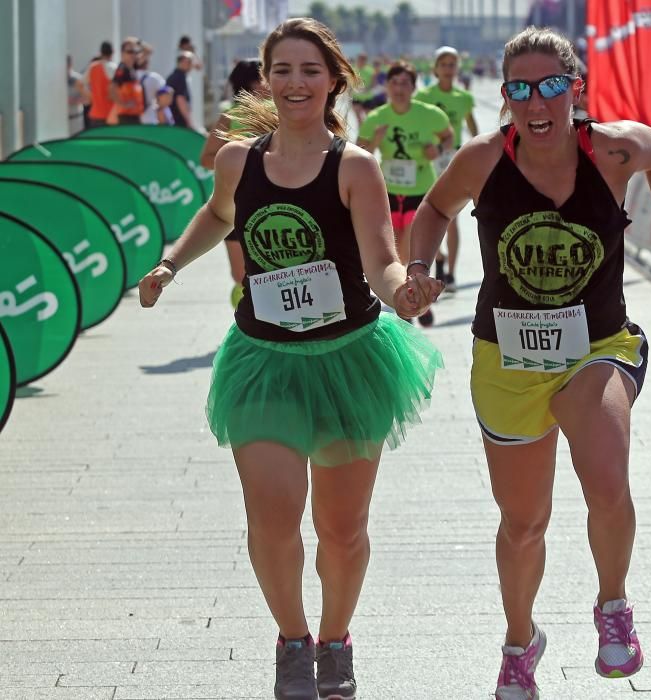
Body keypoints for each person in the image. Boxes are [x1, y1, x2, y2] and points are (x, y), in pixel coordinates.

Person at [138, 18, 444, 700]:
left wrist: (406, 292)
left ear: (334, 79)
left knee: (341, 529)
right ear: (266, 79)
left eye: (310, 70)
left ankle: (336, 642)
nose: (295, 83)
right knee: (272, 518)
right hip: (264, 359)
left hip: (348, 361)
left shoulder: (353, 166)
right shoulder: (238, 161)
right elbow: (219, 215)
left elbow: (380, 260)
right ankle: (293, 640)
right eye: (283, 70)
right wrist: (168, 264)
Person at [407, 26, 651, 699]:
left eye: (550, 87)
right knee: (524, 522)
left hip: (597, 346)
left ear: (575, 88)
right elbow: (432, 209)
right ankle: (520, 642)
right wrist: (418, 267)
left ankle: (614, 606)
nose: (536, 103)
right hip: (506, 359)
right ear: (505, 97)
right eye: (519, 90)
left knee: (605, 476)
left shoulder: (614, 148)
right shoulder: (484, 157)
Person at [357, 61, 453, 327]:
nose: (399, 89)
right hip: (388, 193)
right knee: (397, 252)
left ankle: (413, 303)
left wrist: (438, 148)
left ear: (414, 87)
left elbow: (448, 135)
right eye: (394, 83)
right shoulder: (377, 117)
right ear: (386, 86)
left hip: (420, 190)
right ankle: (412, 301)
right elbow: (359, 152)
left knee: (408, 250)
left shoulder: (429, 114)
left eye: (405, 84)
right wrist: (375, 141)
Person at [200, 58, 271, 307]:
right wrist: (238, 159)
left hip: (274, 203)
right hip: (234, 205)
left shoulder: (281, 113)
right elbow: (207, 158)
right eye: (265, 76)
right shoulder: (230, 117)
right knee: (240, 275)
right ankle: (249, 321)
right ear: (253, 83)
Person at [414, 45, 479, 292]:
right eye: (444, 65)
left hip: (455, 161)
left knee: (452, 219)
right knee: (428, 213)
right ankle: (436, 256)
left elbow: (472, 129)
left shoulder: (464, 98)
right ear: (435, 68)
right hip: (429, 161)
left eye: (452, 65)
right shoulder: (423, 97)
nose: (448, 69)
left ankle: (451, 273)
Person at [110, 37, 144, 124]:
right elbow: (112, 88)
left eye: (135, 52)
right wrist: (123, 104)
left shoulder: (132, 68)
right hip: (126, 116)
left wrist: (137, 42)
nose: (133, 55)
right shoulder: (122, 69)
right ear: (122, 53)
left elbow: (148, 51)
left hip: (134, 115)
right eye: (129, 52)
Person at [137, 43, 168, 125]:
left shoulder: (128, 76)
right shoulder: (154, 78)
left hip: (132, 120)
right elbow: (165, 98)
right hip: (149, 119)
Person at [166, 52, 195, 128]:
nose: (191, 65)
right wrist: (189, 121)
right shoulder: (180, 77)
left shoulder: (174, 76)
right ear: (181, 62)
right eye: (189, 62)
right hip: (179, 121)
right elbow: (180, 99)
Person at [67, 55, 91, 135]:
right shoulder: (56, 79)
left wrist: (74, 100)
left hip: (76, 120)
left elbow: (88, 100)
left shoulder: (78, 79)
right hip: (60, 122)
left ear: (70, 65)